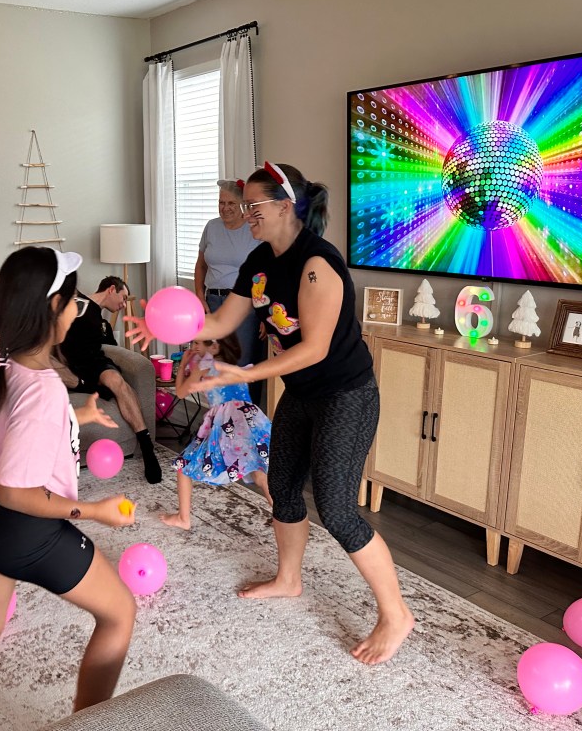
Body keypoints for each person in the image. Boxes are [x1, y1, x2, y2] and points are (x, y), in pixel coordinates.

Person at [128, 161, 414, 666]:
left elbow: (315, 349)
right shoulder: (259, 260)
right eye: (244, 206)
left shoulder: (316, 264)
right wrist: (161, 326)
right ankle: (289, 578)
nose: (246, 214)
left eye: (254, 206)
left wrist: (239, 376)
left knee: (337, 507)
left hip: (345, 395)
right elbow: (218, 320)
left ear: (286, 206)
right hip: (302, 394)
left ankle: (396, 614)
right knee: (282, 488)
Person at [0, 247, 137, 731]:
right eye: (74, 303)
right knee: (119, 614)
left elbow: (17, 429)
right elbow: (18, 492)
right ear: (52, 308)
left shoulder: (3, 358)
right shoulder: (44, 387)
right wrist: (93, 511)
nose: (76, 311)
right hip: (20, 526)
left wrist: (78, 415)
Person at [161, 333, 271, 531]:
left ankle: (183, 518)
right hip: (249, 418)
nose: (193, 347)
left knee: (184, 466)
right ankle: (283, 515)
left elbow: (180, 392)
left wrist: (185, 363)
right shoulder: (233, 366)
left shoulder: (204, 365)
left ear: (214, 347)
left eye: (197, 343)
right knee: (258, 473)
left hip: (226, 421)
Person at [60, 276, 162, 484]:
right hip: (72, 367)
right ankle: (86, 386)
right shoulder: (77, 302)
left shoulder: (103, 323)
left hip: (95, 365)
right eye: (123, 298)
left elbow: (108, 350)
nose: (124, 305)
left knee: (116, 380)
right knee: (56, 371)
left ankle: (147, 448)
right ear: (111, 289)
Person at [194, 180, 265, 401]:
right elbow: (201, 264)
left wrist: (265, 314)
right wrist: (199, 295)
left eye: (231, 203)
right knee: (215, 364)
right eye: (221, 202)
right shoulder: (211, 227)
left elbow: (264, 274)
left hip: (245, 307)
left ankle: (245, 423)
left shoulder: (252, 230)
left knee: (240, 365)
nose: (225, 208)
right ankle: (220, 420)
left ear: (243, 205)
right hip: (213, 301)